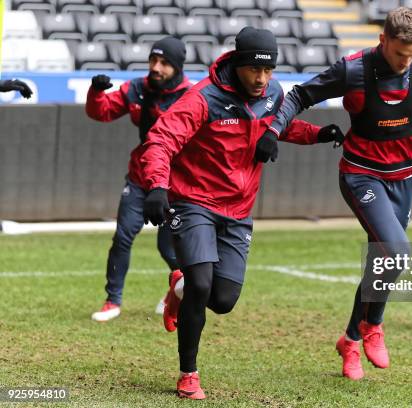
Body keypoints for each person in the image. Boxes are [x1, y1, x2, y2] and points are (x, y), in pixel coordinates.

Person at [256, 7, 412, 380]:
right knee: (398, 250)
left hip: (403, 177)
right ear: (382, 40)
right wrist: (272, 131)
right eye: (400, 53)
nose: (407, 62)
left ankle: (351, 340)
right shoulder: (353, 68)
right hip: (361, 174)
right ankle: (374, 326)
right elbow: (299, 97)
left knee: (381, 261)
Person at [140, 27, 344, 399]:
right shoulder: (203, 98)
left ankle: (177, 289)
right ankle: (189, 374)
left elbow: (279, 125)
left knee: (223, 300)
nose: (262, 79)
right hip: (194, 201)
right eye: (255, 70)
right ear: (238, 64)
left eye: (269, 72)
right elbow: (161, 139)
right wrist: (156, 185)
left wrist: (316, 134)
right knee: (201, 283)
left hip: (239, 209)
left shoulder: (272, 94)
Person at [85, 37, 191, 322]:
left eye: (164, 63)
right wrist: (96, 91)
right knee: (122, 237)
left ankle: (177, 292)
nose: (156, 67)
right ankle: (112, 302)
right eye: (153, 60)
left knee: (169, 247)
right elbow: (102, 111)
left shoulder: (192, 97)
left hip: (175, 185)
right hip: (140, 178)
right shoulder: (136, 87)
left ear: (178, 67)